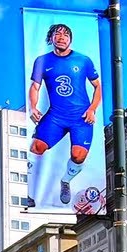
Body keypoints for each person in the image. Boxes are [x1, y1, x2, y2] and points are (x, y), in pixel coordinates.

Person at [25, 23, 102, 207]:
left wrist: (92, 109)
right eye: (58, 34)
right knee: (37, 147)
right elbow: (35, 87)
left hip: (81, 117)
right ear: (51, 38)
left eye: (66, 34)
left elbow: (98, 86)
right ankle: (28, 192)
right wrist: (33, 107)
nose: (62, 37)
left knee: (78, 156)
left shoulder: (83, 60)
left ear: (70, 39)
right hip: (56, 116)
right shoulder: (42, 61)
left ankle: (65, 181)